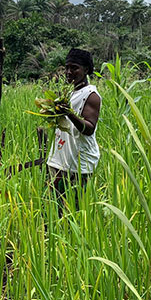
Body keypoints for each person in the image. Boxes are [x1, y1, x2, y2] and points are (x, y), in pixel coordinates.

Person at [46, 48, 101, 208]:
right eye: (67, 68)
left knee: (73, 212)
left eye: (74, 68)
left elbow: (89, 128)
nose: (69, 72)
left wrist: (68, 113)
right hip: (59, 161)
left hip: (78, 166)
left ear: (86, 70)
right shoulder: (70, 93)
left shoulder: (91, 95)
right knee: (53, 210)